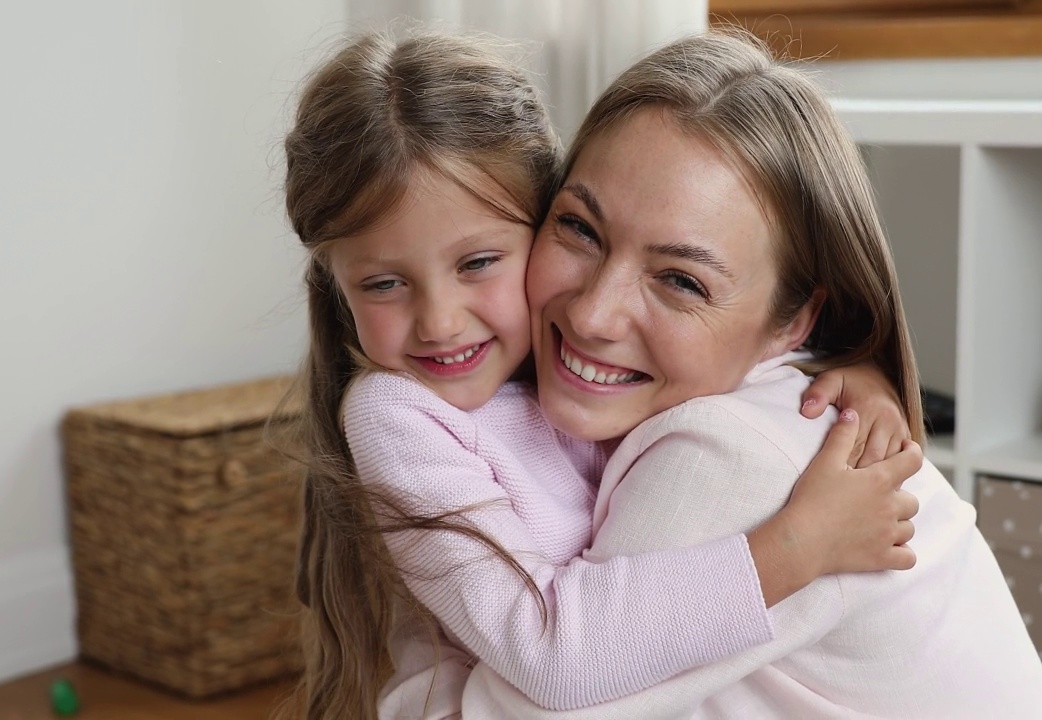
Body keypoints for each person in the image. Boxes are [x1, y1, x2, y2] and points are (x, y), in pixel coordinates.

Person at [280, 30, 922, 720]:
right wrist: (797, 546)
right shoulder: (399, 416)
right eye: (381, 284)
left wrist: (843, 370)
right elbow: (555, 657)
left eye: (478, 265)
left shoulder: (554, 362)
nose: (439, 322)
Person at [458, 29, 1042, 719]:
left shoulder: (728, 454)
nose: (596, 313)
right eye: (580, 229)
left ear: (792, 323)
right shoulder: (749, 405)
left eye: (682, 281)